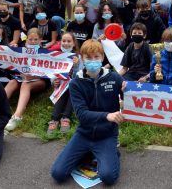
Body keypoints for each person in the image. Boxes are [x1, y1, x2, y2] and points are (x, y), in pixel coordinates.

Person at [51, 39, 125, 185]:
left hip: (107, 135)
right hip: (84, 134)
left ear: (102, 57)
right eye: (88, 58)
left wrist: (127, 92)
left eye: (96, 57)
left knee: (108, 177)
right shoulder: (76, 83)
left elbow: (131, 103)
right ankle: (91, 153)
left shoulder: (114, 78)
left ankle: (110, 152)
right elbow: (82, 115)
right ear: (82, 58)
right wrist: (107, 115)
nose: (93, 61)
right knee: (57, 174)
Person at [4, 28, 51, 131]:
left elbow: (49, 73)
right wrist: (21, 73)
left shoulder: (46, 53)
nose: (33, 42)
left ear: (40, 40)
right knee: (12, 82)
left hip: (40, 81)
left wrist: (34, 76)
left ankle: (17, 116)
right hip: (21, 78)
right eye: (30, 39)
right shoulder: (20, 51)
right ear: (26, 40)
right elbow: (12, 69)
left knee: (26, 84)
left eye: (36, 39)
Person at [47, 32, 81, 135]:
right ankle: (54, 119)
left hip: (73, 85)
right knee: (62, 93)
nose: (66, 43)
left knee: (72, 90)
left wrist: (76, 65)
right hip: (60, 85)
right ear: (60, 42)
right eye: (64, 41)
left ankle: (66, 117)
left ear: (74, 43)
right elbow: (51, 71)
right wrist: (54, 81)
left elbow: (80, 74)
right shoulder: (57, 56)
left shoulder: (78, 57)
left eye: (69, 41)